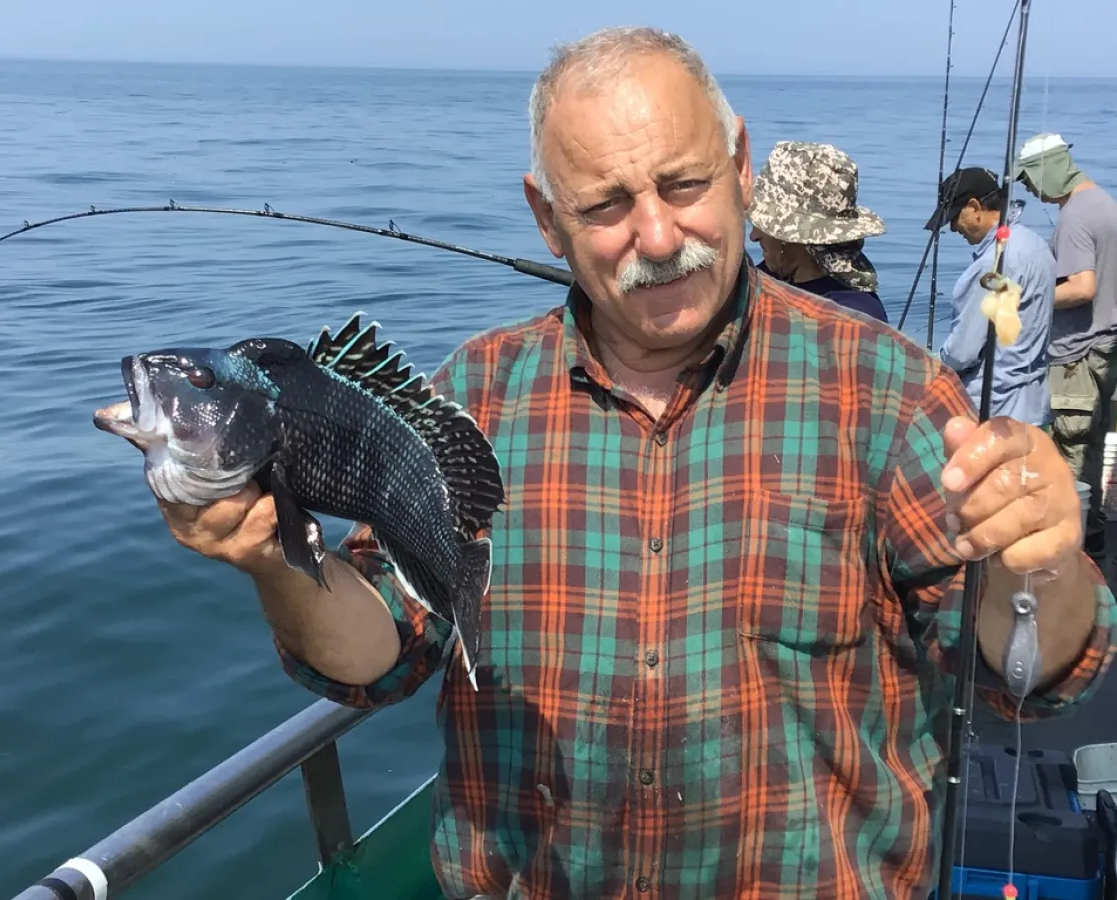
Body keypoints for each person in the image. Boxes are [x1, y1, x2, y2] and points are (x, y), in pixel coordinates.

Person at [148, 28, 1116, 900]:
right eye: (606, 204)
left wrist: (1040, 565)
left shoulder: (891, 391)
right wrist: (274, 560)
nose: (656, 237)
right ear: (546, 217)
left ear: (740, 167)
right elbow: (387, 654)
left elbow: (1032, 675)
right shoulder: (472, 395)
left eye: (683, 184)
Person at [1015, 132, 1117, 565]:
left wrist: (1026, 299)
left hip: (1077, 356)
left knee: (1069, 455)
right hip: (1104, 350)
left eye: (1029, 179)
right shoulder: (1103, 203)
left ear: (1048, 169)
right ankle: (1092, 536)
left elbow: (1081, 287)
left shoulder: (1075, 216)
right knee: (1091, 449)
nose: (1029, 189)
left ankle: (1068, 553)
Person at [923, 165, 1056, 426]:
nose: (953, 228)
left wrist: (930, 366)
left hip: (994, 408)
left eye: (954, 217)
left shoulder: (991, 264)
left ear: (975, 207)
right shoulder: (1035, 245)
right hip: (1032, 404)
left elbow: (963, 352)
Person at [748, 139, 890, 322]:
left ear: (795, 236)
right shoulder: (763, 278)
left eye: (765, 225)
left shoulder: (851, 315)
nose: (753, 236)